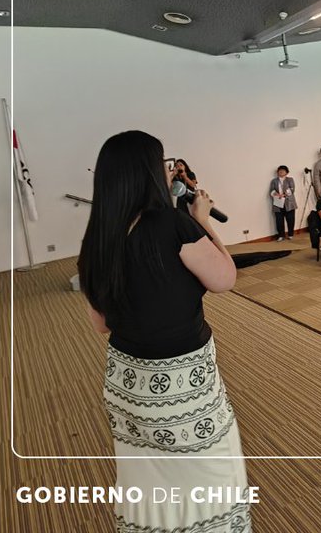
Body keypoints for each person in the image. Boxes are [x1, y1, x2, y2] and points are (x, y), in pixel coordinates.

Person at [78, 131, 250, 533]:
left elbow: (101, 325)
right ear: (149, 172)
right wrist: (202, 223)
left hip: (126, 382)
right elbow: (224, 279)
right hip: (182, 386)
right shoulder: (174, 226)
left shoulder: (95, 240)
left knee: (148, 475)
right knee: (210, 474)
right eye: (163, 161)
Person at [269, 165, 297, 240]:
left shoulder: (290, 179)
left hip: (289, 203)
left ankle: (290, 234)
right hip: (278, 202)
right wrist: (276, 194)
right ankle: (281, 235)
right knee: (279, 220)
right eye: (280, 170)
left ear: (287, 172)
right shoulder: (274, 181)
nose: (281, 171)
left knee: (290, 219)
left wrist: (284, 194)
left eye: (283, 170)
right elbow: (271, 191)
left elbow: (292, 189)